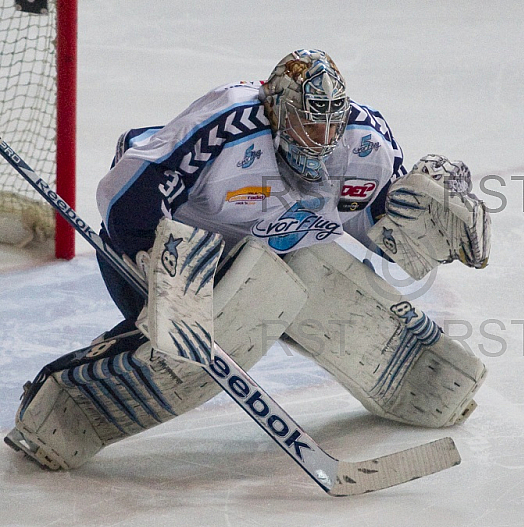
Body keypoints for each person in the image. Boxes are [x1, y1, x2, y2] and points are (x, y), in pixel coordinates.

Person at [5, 49, 491, 471]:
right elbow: (123, 194)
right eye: (307, 119)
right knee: (222, 326)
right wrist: (160, 256)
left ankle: (425, 380)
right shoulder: (229, 124)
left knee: (303, 274)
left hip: (268, 248)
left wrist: (413, 220)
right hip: (166, 246)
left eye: (330, 119)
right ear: (277, 109)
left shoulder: (366, 143)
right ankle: (62, 406)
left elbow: (373, 224)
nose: (321, 136)